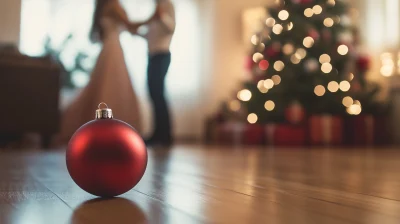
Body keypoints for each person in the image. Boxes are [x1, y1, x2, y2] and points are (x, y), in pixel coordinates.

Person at [58, 0, 154, 143]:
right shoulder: (113, 5)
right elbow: (130, 25)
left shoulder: (102, 7)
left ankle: (99, 128)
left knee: (103, 88)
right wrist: (153, 18)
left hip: (107, 48)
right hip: (114, 48)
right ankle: (113, 129)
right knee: (115, 89)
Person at [132, 0, 176, 146]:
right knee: (153, 94)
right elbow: (151, 35)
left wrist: (161, 16)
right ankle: (158, 133)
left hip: (162, 55)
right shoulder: (156, 9)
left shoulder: (167, 6)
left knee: (158, 94)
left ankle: (165, 136)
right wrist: (136, 33)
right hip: (152, 56)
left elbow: (170, 28)